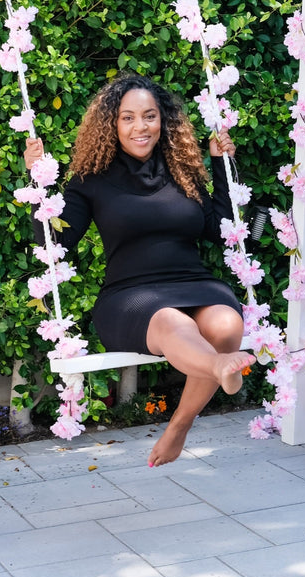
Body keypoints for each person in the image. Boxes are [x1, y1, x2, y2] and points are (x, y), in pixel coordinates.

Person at [24, 73, 253, 467]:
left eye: (149, 116)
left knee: (227, 326)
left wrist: (221, 164)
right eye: (128, 117)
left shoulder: (184, 170)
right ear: (112, 124)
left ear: (164, 121)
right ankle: (219, 366)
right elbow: (56, 242)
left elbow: (221, 230)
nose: (139, 126)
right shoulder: (90, 180)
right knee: (172, 322)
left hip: (193, 282)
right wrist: (36, 184)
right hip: (131, 295)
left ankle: (180, 424)